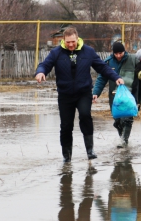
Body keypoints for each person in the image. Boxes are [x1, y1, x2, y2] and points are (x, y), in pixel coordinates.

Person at [35, 26, 124, 162]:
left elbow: (102, 66)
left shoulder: (87, 52)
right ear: (64, 40)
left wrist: (115, 77)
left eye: (73, 41)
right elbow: (45, 64)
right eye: (68, 42)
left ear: (77, 39)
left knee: (85, 115)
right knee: (66, 125)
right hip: (65, 94)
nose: (71, 44)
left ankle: (90, 150)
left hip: (83, 92)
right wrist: (40, 72)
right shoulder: (56, 52)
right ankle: (67, 156)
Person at [92, 41, 138, 148]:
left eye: (120, 53)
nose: (118, 56)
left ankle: (123, 142)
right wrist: (95, 93)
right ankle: (123, 140)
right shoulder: (108, 62)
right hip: (115, 97)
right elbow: (101, 79)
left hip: (129, 96)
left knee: (127, 119)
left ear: (124, 51)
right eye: (116, 54)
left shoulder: (133, 60)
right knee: (118, 121)